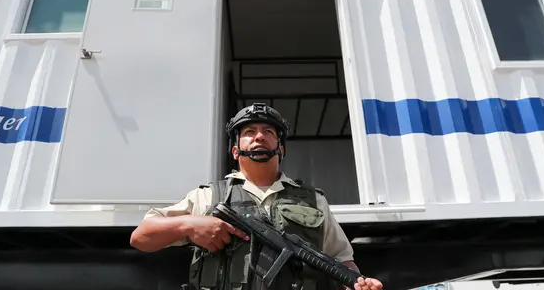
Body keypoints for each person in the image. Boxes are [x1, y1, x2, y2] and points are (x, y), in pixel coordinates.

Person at [130, 103, 383, 290]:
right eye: (249, 132)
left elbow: (342, 259)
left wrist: (355, 284)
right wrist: (189, 224)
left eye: (268, 132)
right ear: (235, 151)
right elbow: (141, 237)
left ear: (280, 149)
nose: (259, 136)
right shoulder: (208, 197)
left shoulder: (313, 200)